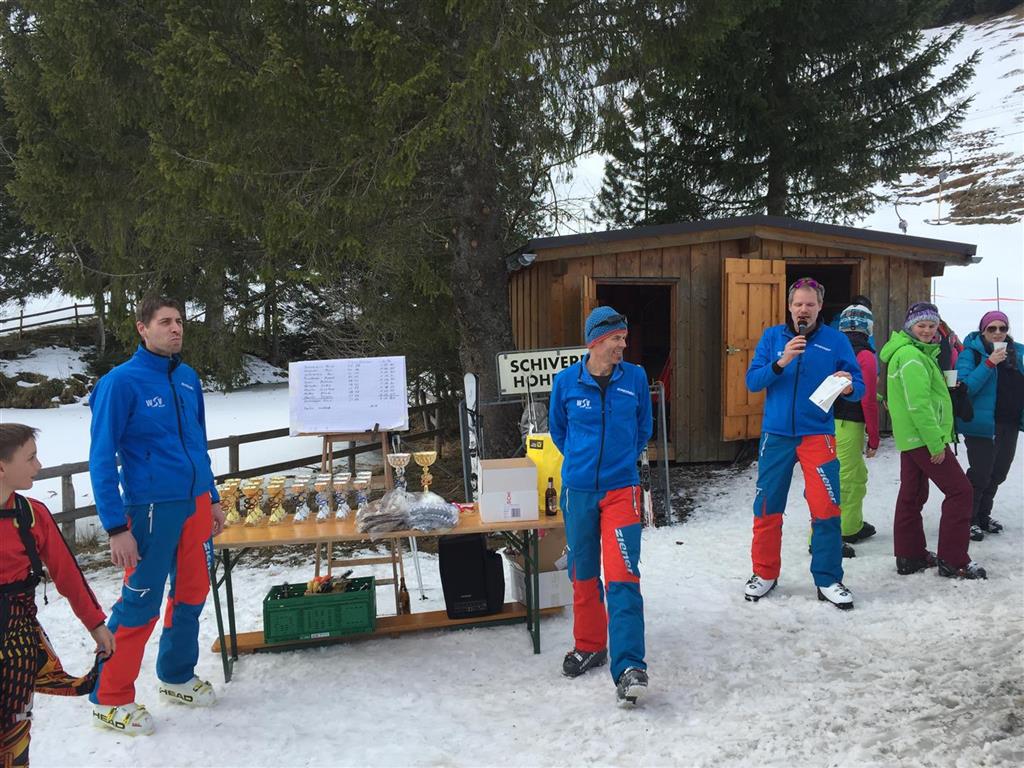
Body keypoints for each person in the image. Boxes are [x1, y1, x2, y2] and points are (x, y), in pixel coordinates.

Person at [88, 296, 225, 735]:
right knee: (140, 602)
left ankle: (176, 675)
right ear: (142, 328)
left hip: (195, 504)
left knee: (192, 592)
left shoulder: (187, 378)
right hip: (149, 509)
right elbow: (101, 459)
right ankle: (109, 698)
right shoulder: (119, 383)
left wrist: (212, 496)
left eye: (179, 321)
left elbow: (198, 442)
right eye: (165, 321)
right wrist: (115, 527)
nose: (176, 328)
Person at [548, 305, 652, 707]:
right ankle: (590, 645)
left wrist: (620, 461)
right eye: (615, 339)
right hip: (578, 492)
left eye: (624, 338)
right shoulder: (565, 383)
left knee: (623, 575)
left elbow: (643, 427)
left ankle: (630, 667)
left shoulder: (635, 378)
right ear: (595, 341)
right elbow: (559, 431)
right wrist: (582, 461)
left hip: (621, 489)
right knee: (583, 573)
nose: (622, 345)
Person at [744, 278, 864, 609]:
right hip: (777, 435)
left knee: (826, 508)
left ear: (820, 307)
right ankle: (764, 572)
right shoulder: (773, 337)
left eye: (810, 304)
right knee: (767, 506)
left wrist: (849, 386)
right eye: (798, 304)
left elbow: (859, 384)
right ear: (789, 306)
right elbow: (752, 381)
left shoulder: (836, 340)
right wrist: (781, 361)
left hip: (817, 434)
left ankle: (828, 578)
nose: (803, 310)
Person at [1, 424, 115, 766]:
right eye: (30, 458)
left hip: (17, 647)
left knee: (14, 735)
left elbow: (68, 575)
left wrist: (96, 625)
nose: (38, 466)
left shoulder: (32, 515)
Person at [879, 302, 986, 579]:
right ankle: (954, 559)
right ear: (909, 327)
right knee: (960, 491)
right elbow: (918, 405)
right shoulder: (912, 357)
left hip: (912, 437)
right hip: (923, 437)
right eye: (921, 325)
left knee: (912, 493)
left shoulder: (913, 353)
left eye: (931, 325)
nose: (927, 330)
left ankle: (910, 555)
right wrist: (935, 443)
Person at [956, 310, 1024, 541]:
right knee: (981, 474)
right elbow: (966, 388)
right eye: (991, 328)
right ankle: (968, 520)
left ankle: (983, 515)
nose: (997, 333)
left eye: (1002, 328)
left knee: (998, 473)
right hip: (981, 424)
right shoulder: (971, 354)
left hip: (1009, 423)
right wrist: (989, 363)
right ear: (982, 330)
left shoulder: (1017, 353)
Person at [833, 304, 881, 550]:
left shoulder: (832, 349)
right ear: (868, 328)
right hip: (849, 423)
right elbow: (867, 400)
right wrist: (874, 437)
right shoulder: (865, 356)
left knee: (850, 475)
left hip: (828, 422)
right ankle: (836, 533)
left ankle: (851, 524)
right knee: (847, 480)